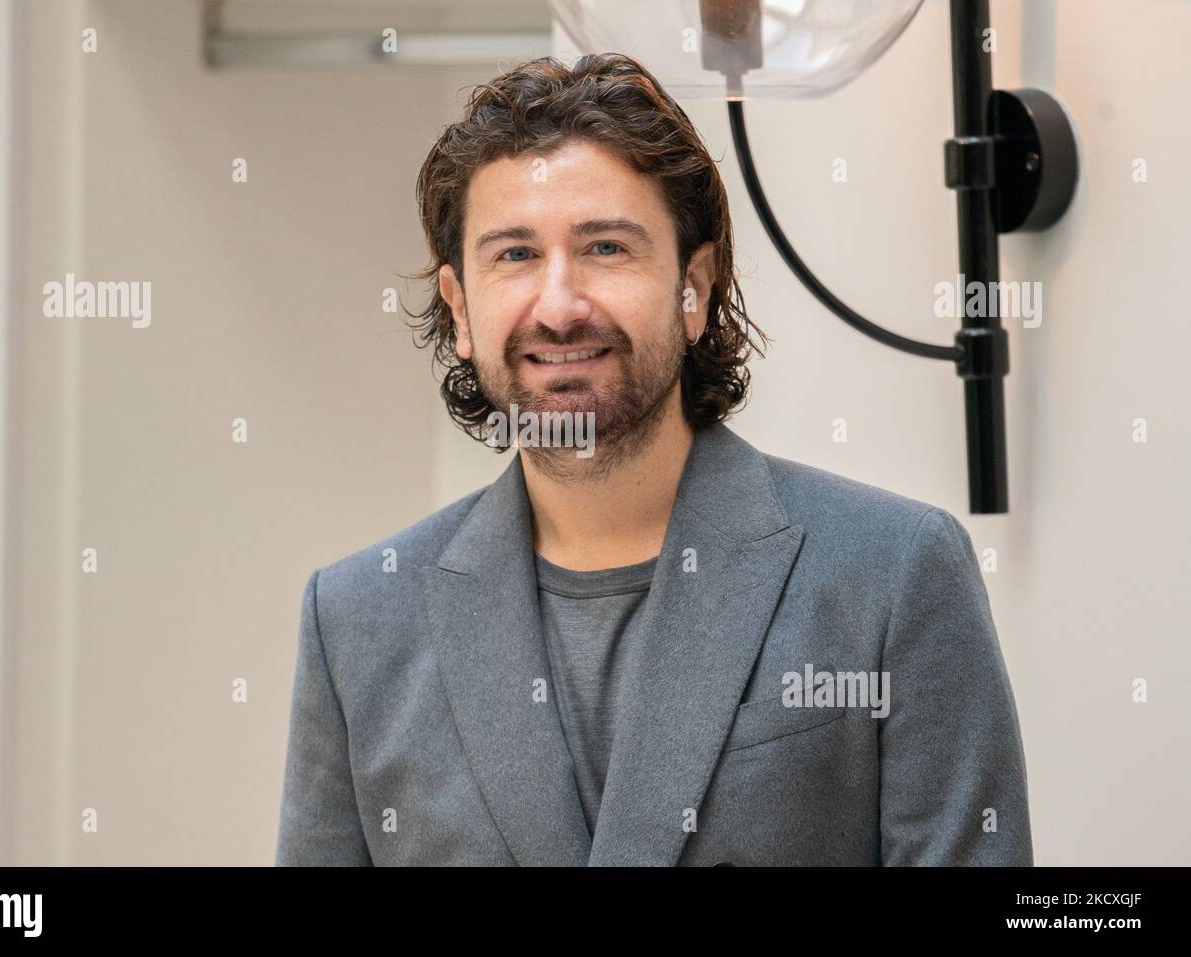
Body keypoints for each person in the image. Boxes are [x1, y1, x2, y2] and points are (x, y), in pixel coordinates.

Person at [274, 53, 1031, 866]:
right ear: (461, 309)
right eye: (515, 255)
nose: (559, 306)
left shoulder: (895, 574)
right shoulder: (355, 621)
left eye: (605, 247)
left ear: (694, 288)